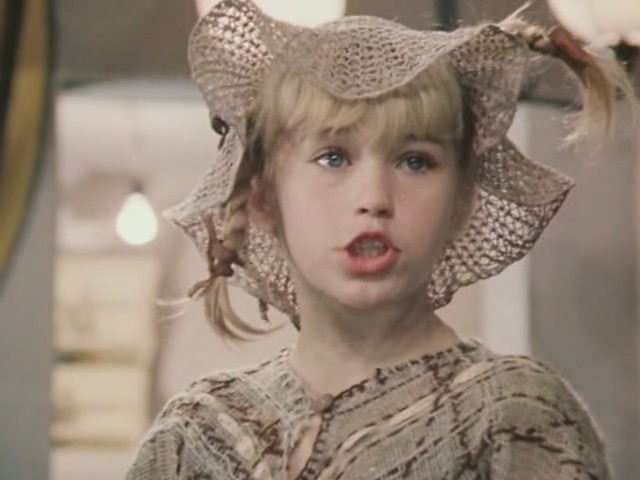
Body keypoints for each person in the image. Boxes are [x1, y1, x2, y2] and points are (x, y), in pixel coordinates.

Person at [125, 1, 636, 478]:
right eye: (333, 157)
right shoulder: (197, 436)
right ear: (263, 197)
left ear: (460, 202)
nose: (374, 197)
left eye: (415, 161)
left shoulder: (513, 418)